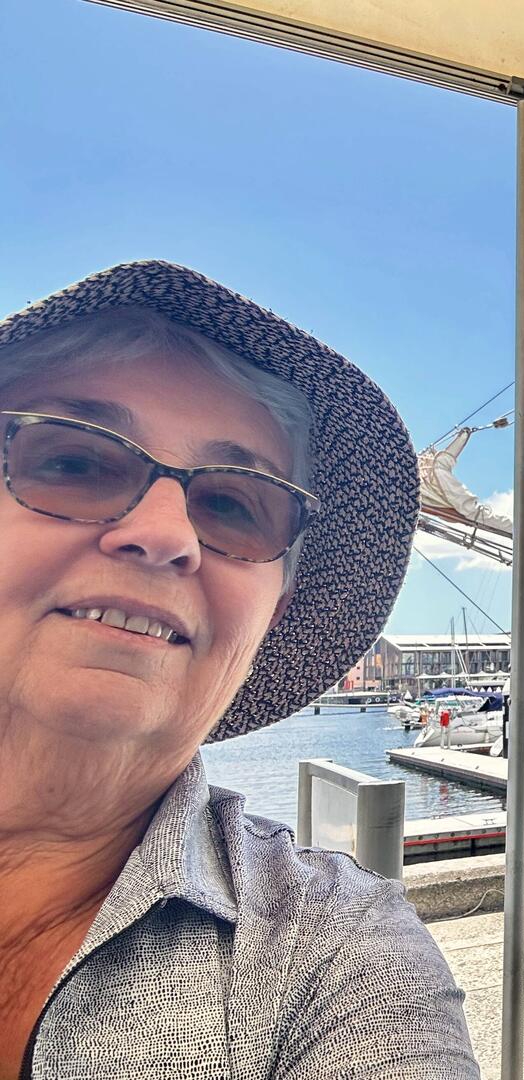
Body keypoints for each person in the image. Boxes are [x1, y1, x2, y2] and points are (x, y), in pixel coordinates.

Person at [0, 262, 480, 1078]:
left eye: (230, 506)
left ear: (272, 615)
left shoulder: (337, 953)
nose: (166, 535)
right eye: (75, 462)